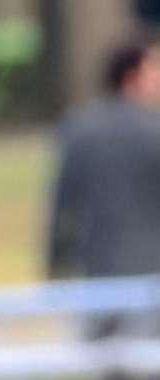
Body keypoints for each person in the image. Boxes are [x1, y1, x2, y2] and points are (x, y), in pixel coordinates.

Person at [47, 37, 160, 282]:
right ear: (132, 76)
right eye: (153, 69)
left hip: (96, 272)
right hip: (152, 274)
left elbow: (62, 203)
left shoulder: (78, 129)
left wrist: (55, 263)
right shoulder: (155, 131)